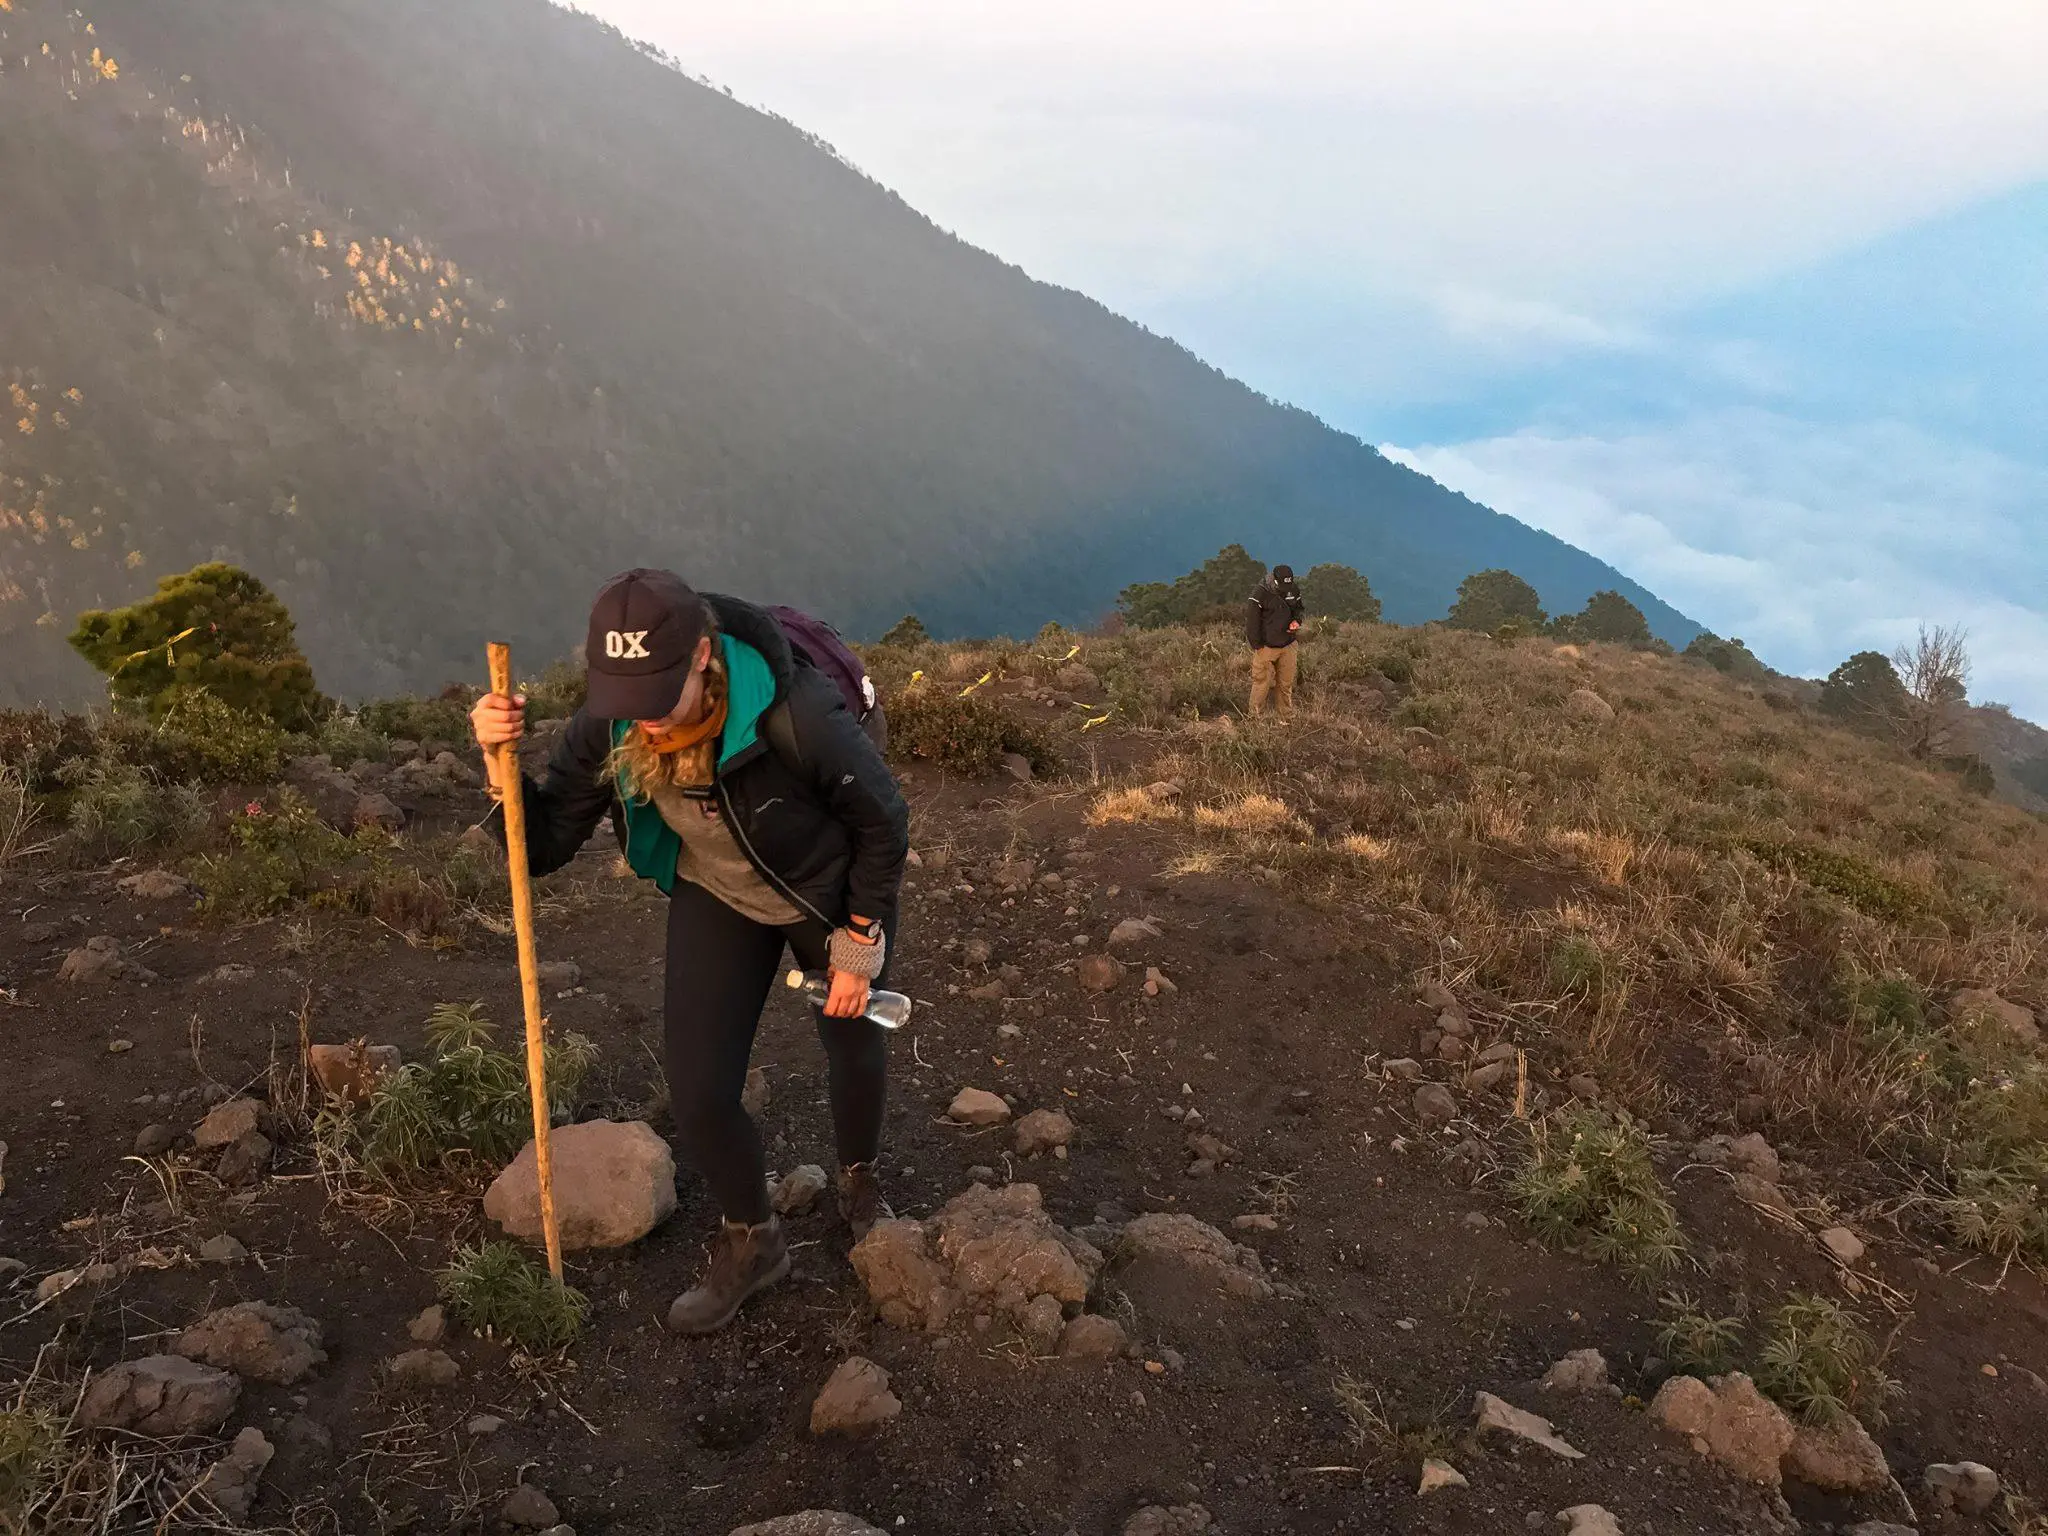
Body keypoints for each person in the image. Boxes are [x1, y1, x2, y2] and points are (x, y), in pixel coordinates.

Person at [469, 569, 909, 1335]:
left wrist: (858, 948)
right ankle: (756, 1240)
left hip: (823, 891)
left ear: (702, 656)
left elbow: (883, 822)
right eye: (623, 703)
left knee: (852, 1038)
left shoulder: (796, 714)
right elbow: (540, 845)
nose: (639, 724)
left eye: (656, 700)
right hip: (720, 893)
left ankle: (860, 1182)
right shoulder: (613, 719)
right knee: (700, 1090)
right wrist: (496, 766)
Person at [1246, 563, 1305, 717]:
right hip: (1266, 646)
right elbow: (1252, 622)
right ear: (1275, 581)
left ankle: (1285, 715)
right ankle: (1255, 717)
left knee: (1286, 683)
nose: (1286, 590)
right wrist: (1257, 645)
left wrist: (1297, 621)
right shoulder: (1260, 594)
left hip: (1288, 644)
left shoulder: (1293, 588)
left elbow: (1298, 609)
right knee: (1261, 682)